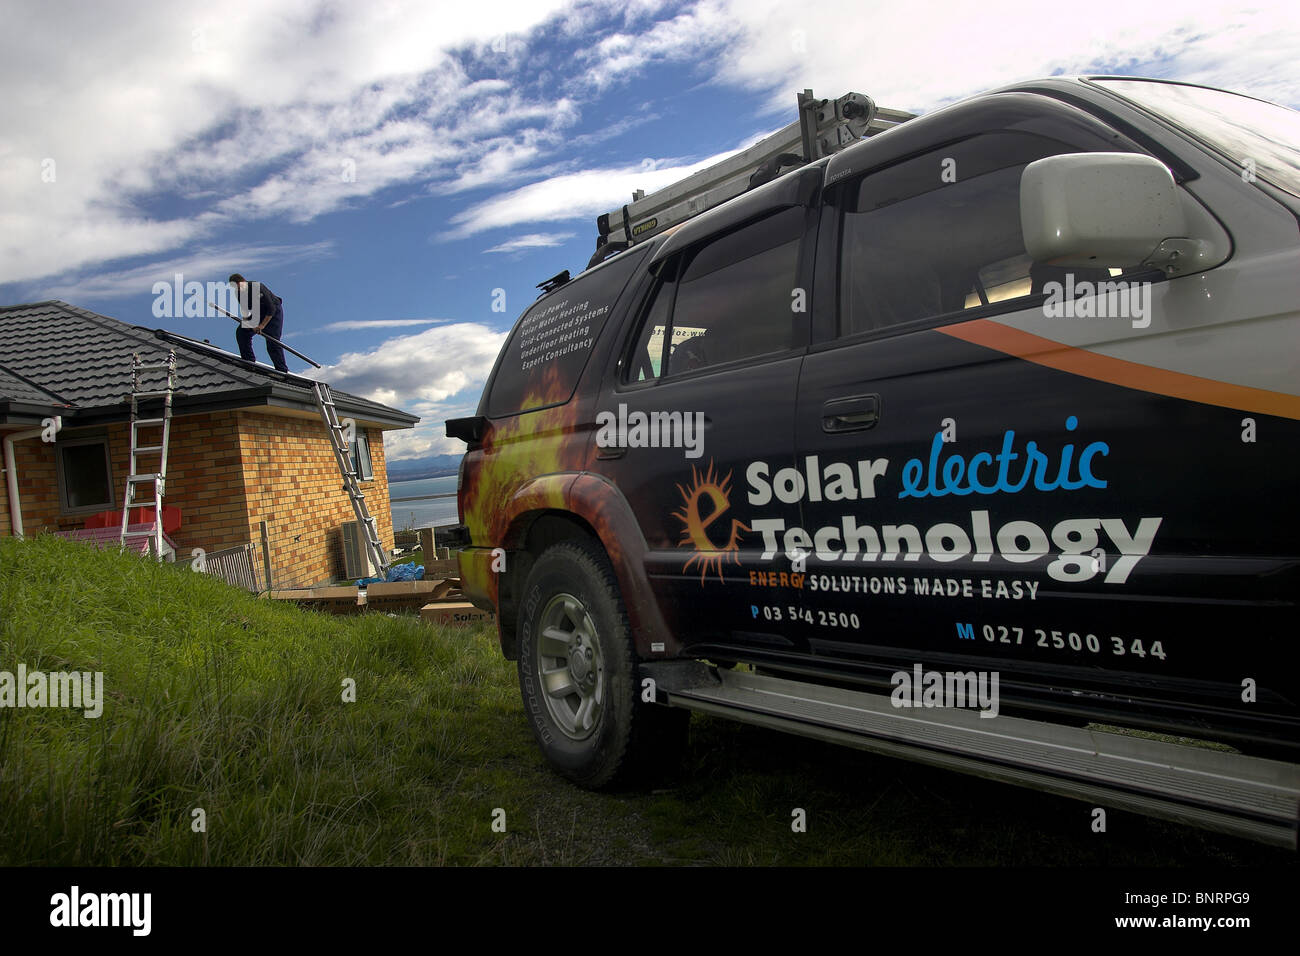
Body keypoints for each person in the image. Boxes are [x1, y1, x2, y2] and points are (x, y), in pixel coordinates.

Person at [228, 273, 288, 372]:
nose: (238, 289)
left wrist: (261, 326)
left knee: (272, 341)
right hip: (257, 312)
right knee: (241, 332)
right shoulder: (238, 293)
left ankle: (281, 370)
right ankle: (249, 361)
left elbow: (271, 308)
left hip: (273, 311)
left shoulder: (257, 287)